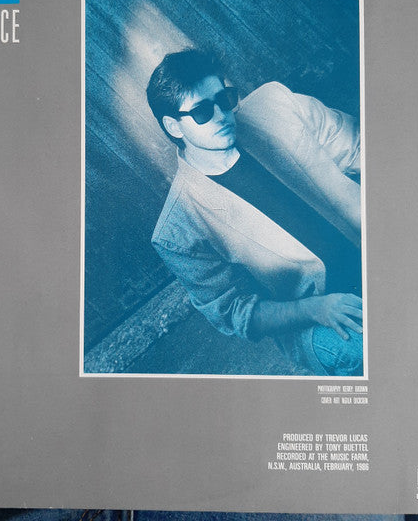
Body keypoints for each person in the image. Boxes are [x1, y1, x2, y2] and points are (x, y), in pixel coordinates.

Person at [146, 49, 363, 375]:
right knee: (363, 350)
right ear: (173, 127)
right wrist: (315, 308)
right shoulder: (178, 230)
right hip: (315, 312)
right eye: (202, 111)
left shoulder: (275, 106)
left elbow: (360, 147)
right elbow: (237, 311)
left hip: (370, 251)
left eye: (224, 100)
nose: (221, 115)